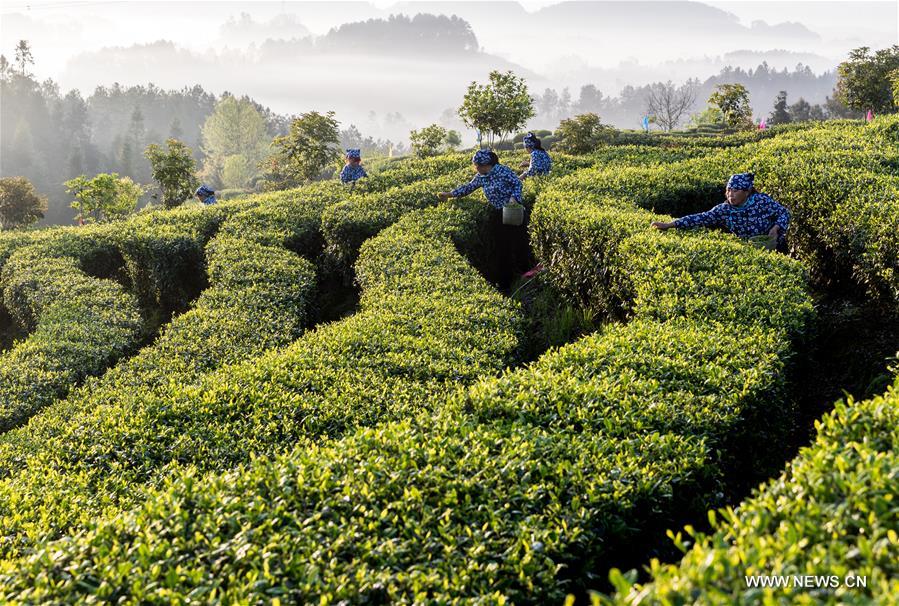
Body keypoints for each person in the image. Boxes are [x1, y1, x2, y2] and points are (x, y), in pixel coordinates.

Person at [651, 172, 790, 250]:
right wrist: (671, 224)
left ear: (747, 192)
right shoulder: (724, 209)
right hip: (751, 249)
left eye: (736, 191)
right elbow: (701, 218)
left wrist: (776, 228)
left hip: (776, 247)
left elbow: (784, 213)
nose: (731, 194)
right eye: (729, 190)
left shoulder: (761, 201)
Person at [437, 149, 522, 208]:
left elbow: (517, 183)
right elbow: (468, 188)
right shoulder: (481, 176)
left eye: (476, 166)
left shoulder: (503, 171)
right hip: (498, 211)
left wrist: (514, 198)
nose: (475, 168)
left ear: (485, 165)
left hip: (513, 210)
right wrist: (449, 194)